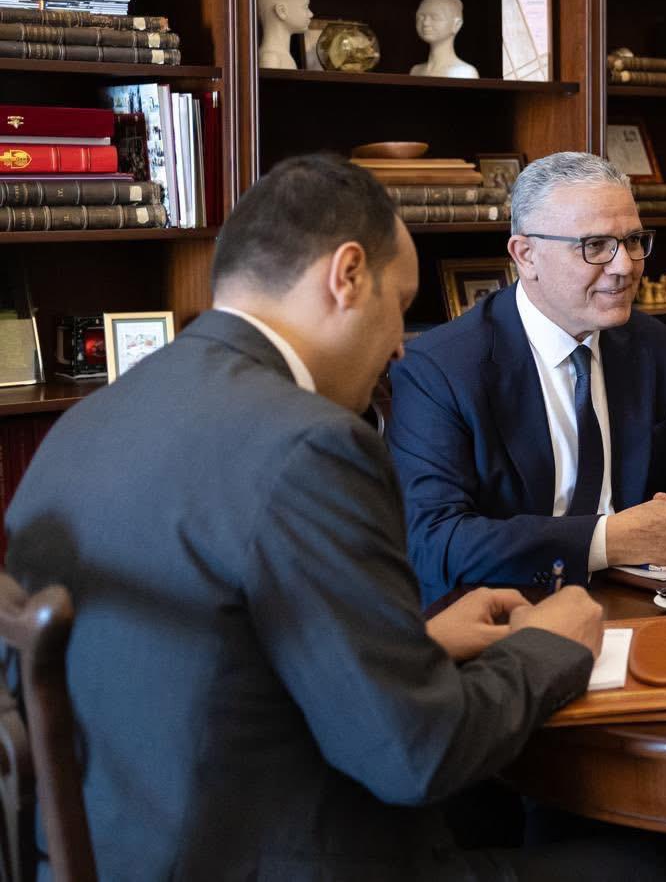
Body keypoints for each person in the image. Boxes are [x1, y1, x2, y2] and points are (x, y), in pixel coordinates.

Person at [4, 155, 618, 878]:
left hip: (113, 844)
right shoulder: (313, 445)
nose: (400, 344)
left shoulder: (91, 418)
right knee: (654, 864)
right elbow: (419, 755)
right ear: (347, 275)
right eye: (400, 303)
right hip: (272, 853)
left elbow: (204, 641)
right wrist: (551, 645)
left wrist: (418, 642)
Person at [390, 151, 666, 609]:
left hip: (650, 600)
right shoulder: (440, 368)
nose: (625, 266)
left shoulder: (649, 343)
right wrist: (611, 539)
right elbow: (435, 542)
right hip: (508, 613)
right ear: (526, 255)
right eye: (595, 245)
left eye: (633, 240)